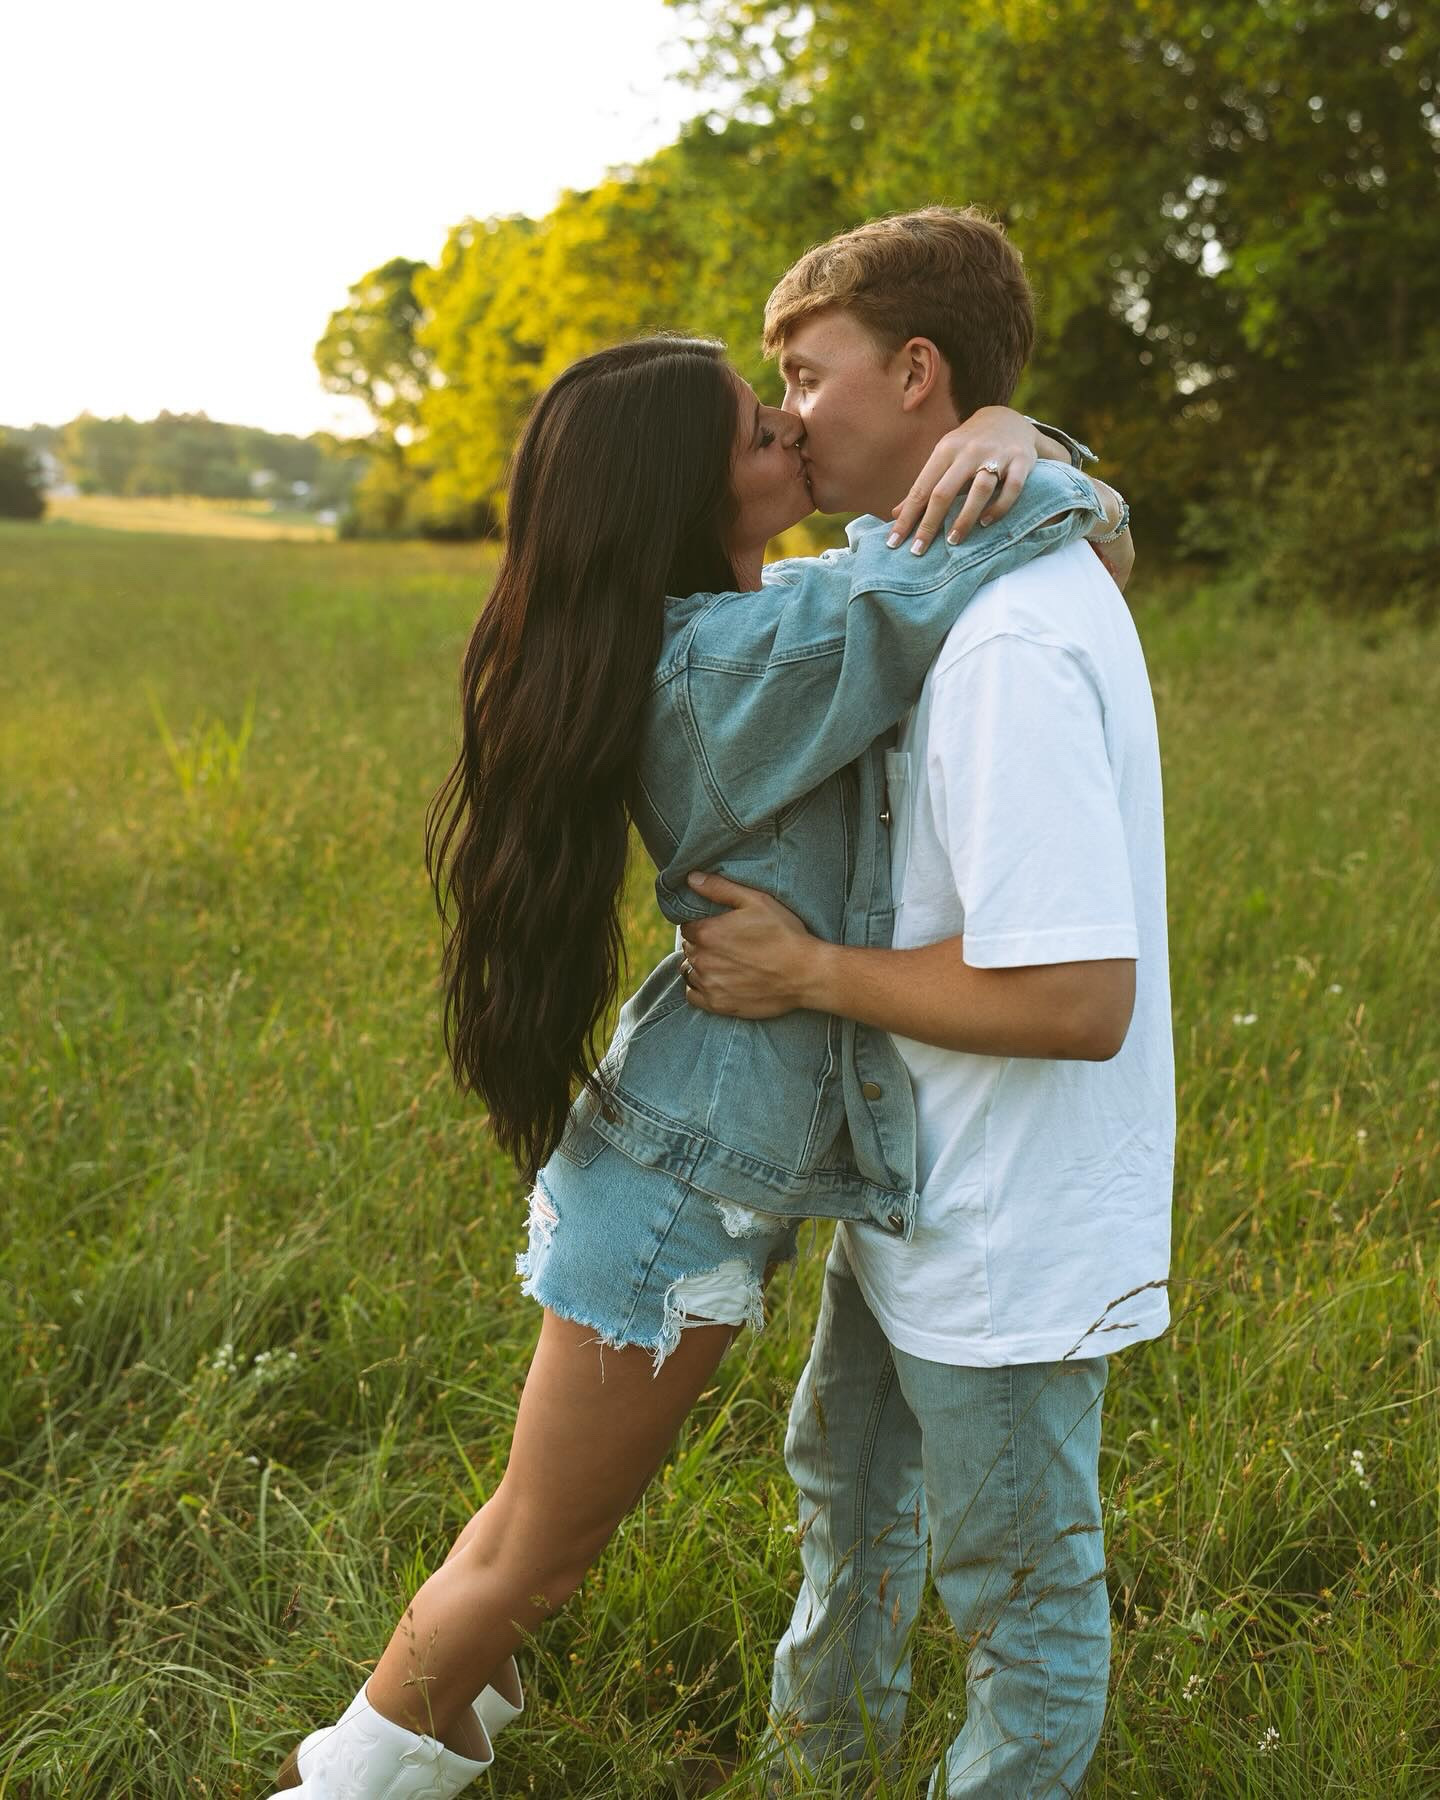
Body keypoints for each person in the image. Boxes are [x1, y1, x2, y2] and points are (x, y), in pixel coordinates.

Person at [267, 263, 1125, 1800]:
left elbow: (953, 558)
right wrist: (1026, 440)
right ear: (681, 492)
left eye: (788, 404)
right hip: (675, 1201)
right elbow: (992, 545)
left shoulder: (743, 623)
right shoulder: (747, 661)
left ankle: (427, 1743)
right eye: (755, 430)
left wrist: (1010, 435)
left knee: (524, 1536)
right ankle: (338, 1783)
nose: (793, 438)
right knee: (535, 1558)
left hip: (680, 1159)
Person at [679, 209, 1170, 1795]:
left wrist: (808, 971)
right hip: (915, 1178)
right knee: (847, 1490)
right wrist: (1051, 451)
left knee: (1019, 1603)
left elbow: (1081, 997)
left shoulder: (1012, 640)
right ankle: (814, 1771)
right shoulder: (939, 565)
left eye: (805, 376)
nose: (789, 414)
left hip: (1006, 1222)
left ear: (914, 370)